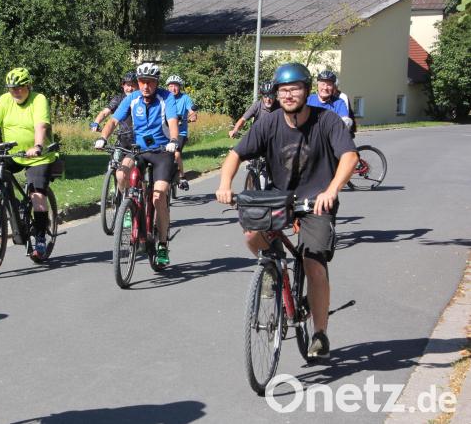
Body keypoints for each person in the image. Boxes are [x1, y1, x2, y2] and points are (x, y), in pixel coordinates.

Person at [215, 62, 358, 359]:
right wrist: (225, 183)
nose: (289, 95)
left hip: (317, 202)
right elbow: (235, 154)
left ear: (306, 90)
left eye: (294, 89)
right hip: (280, 200)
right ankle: (272, 270)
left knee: (313, 260)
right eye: (283, 90)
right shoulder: (269, 123)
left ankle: (319, 333)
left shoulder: (327, 121)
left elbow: (349, 157)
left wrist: (331, 191)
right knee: (252, 235)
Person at [0, 67, 58, 259]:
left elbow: (41, 125)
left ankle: (40, 238)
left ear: (28, 86)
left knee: (37, 195)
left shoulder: (38, 99)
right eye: (11, 88)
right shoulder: (4, 101)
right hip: (13, 154)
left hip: (37, 156)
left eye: (19, 88)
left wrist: (38, 145)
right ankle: (11, 204)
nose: (15, 91)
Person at [94, 62, 180, 267]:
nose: (145, 86)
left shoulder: (165, 98)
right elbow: (113, 121)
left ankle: (162, 244)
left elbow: (173, 123)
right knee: (122, 175)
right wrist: (103, 137)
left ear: (156, 83)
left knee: (159, 196)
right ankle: (129, 205)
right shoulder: (132, 98)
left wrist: (174, 141)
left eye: (149, 82)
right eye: (142, 82)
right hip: (138, 150)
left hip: (161, 151)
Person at [93, 71, 138, 196]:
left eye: (132, 85)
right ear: (122, 86)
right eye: (127, 85)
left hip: (137, 140)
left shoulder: (141, 99)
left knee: (135, 172)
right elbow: (105, 112)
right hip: (122, 138)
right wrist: (96, 122)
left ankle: (133, 195)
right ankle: (122, 194)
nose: (129, 88)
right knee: (117, 165)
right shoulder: (118, 99)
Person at [165, 74, 197, 190]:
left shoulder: (185, 98)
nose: (173, 88)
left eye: (176, 86)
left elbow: (192, 111)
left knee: (176, 154)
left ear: (180, 87)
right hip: (165, 131)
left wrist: (192, 116)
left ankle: (182, 177)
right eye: (171, 86)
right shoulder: (165, 98)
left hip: (180, 132)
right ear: (168, 87)